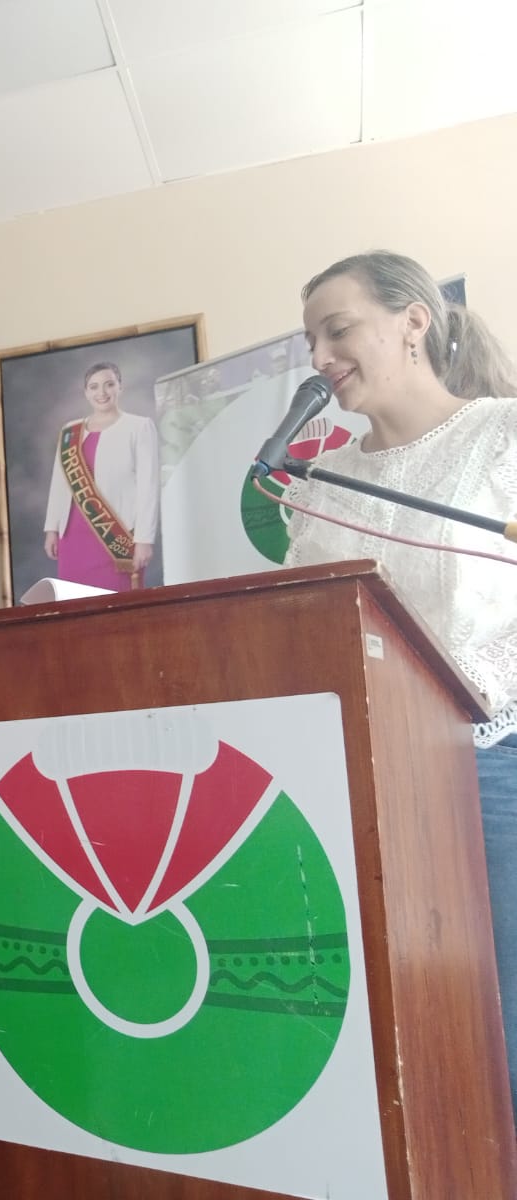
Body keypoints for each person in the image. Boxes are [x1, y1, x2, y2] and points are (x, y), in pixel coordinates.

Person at [283, 249, 517, 1107]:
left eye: (336, 330)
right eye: (309, 342)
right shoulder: (322, 484)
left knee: (497, 1030)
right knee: (393, 1039)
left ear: (413, 320)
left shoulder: (503, 436)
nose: (319, 358)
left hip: (486, 769)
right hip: (353, 785)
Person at [43, 362, 161, 591]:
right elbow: (59, 484)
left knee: (118, 604)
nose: (102, 392)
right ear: (86, 392)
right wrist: (51, 529)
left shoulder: (139, 427)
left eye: (109, 384)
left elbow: (149, 487)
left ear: (120, 387)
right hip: (72, 537)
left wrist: (144, 539)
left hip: (116, 536)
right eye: (94, 386)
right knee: (75, 603)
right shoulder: (70, 432)